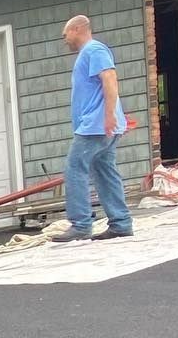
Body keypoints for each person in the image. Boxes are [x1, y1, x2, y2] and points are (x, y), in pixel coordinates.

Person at [52, 15, 134, 243]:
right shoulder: (89, 53)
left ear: (77, 29)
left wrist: (109, 116)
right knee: (105, 172)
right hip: (101, 126)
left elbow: (110, 79)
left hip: (95, 126)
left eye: (65, 34)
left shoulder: (94, 50)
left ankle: (80, 224)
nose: (64, 40)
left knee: (74, 168)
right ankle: (121, 224)